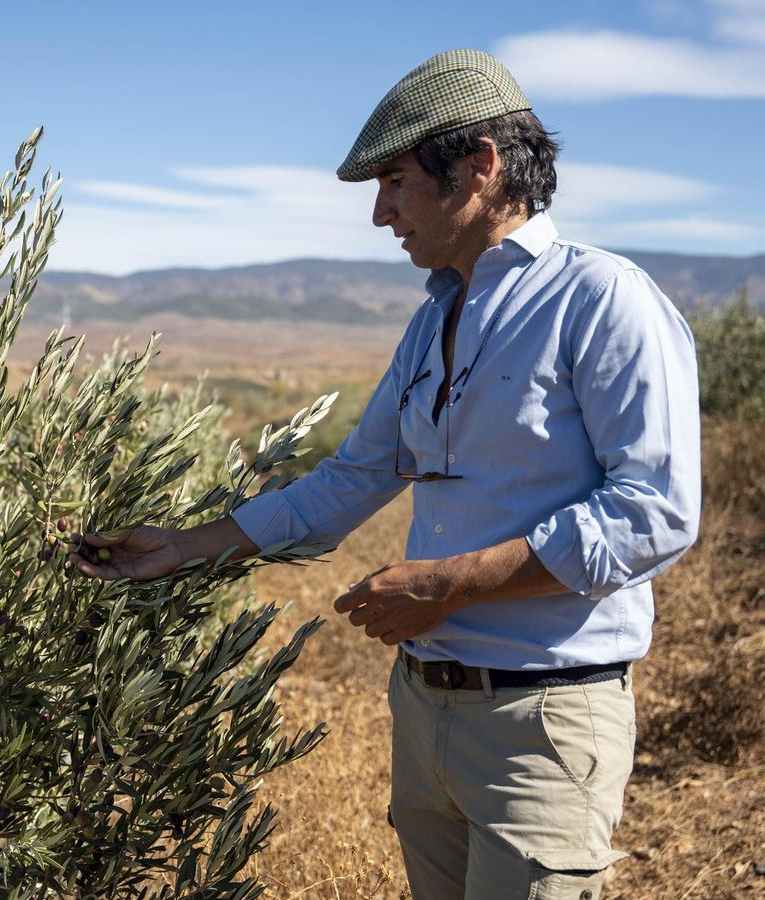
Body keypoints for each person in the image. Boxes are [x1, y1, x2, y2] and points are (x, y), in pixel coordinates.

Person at [68, 48, 701, 899]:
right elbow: (351, 479)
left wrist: (450, 585)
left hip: (545, 721)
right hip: (423, 709)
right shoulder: (433, 317)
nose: (380, 213)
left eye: (396, 181)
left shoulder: (603, 300)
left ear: (478, 167)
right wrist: (181, 548)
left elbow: (655, 511)